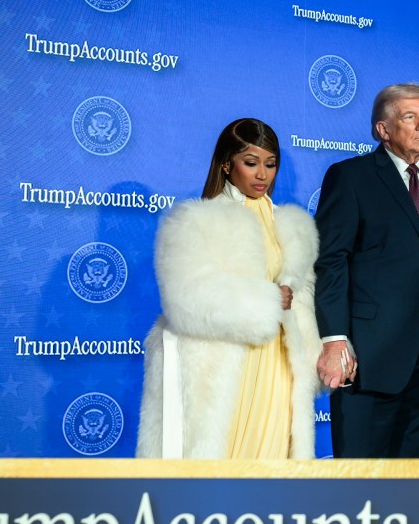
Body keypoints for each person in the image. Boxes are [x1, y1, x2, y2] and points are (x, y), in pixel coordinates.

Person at [136, 118, 322, 458]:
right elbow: (187, 297)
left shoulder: (293, 226)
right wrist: (268, 301)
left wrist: (315, 355)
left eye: (270, 164)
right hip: (225, 363)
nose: (262, 175)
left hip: (278, 366)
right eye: (250, 163)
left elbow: (302, 301)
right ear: (226, 164)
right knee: (221, 465)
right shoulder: (195, 220)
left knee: (273, 469)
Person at [314, 83, 419, 458]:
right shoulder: (351, 177)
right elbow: (330, 259)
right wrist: (334, 338)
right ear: (383, 130)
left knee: (414, 471)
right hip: (370, 355)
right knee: (362, 473)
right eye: (409, 117)